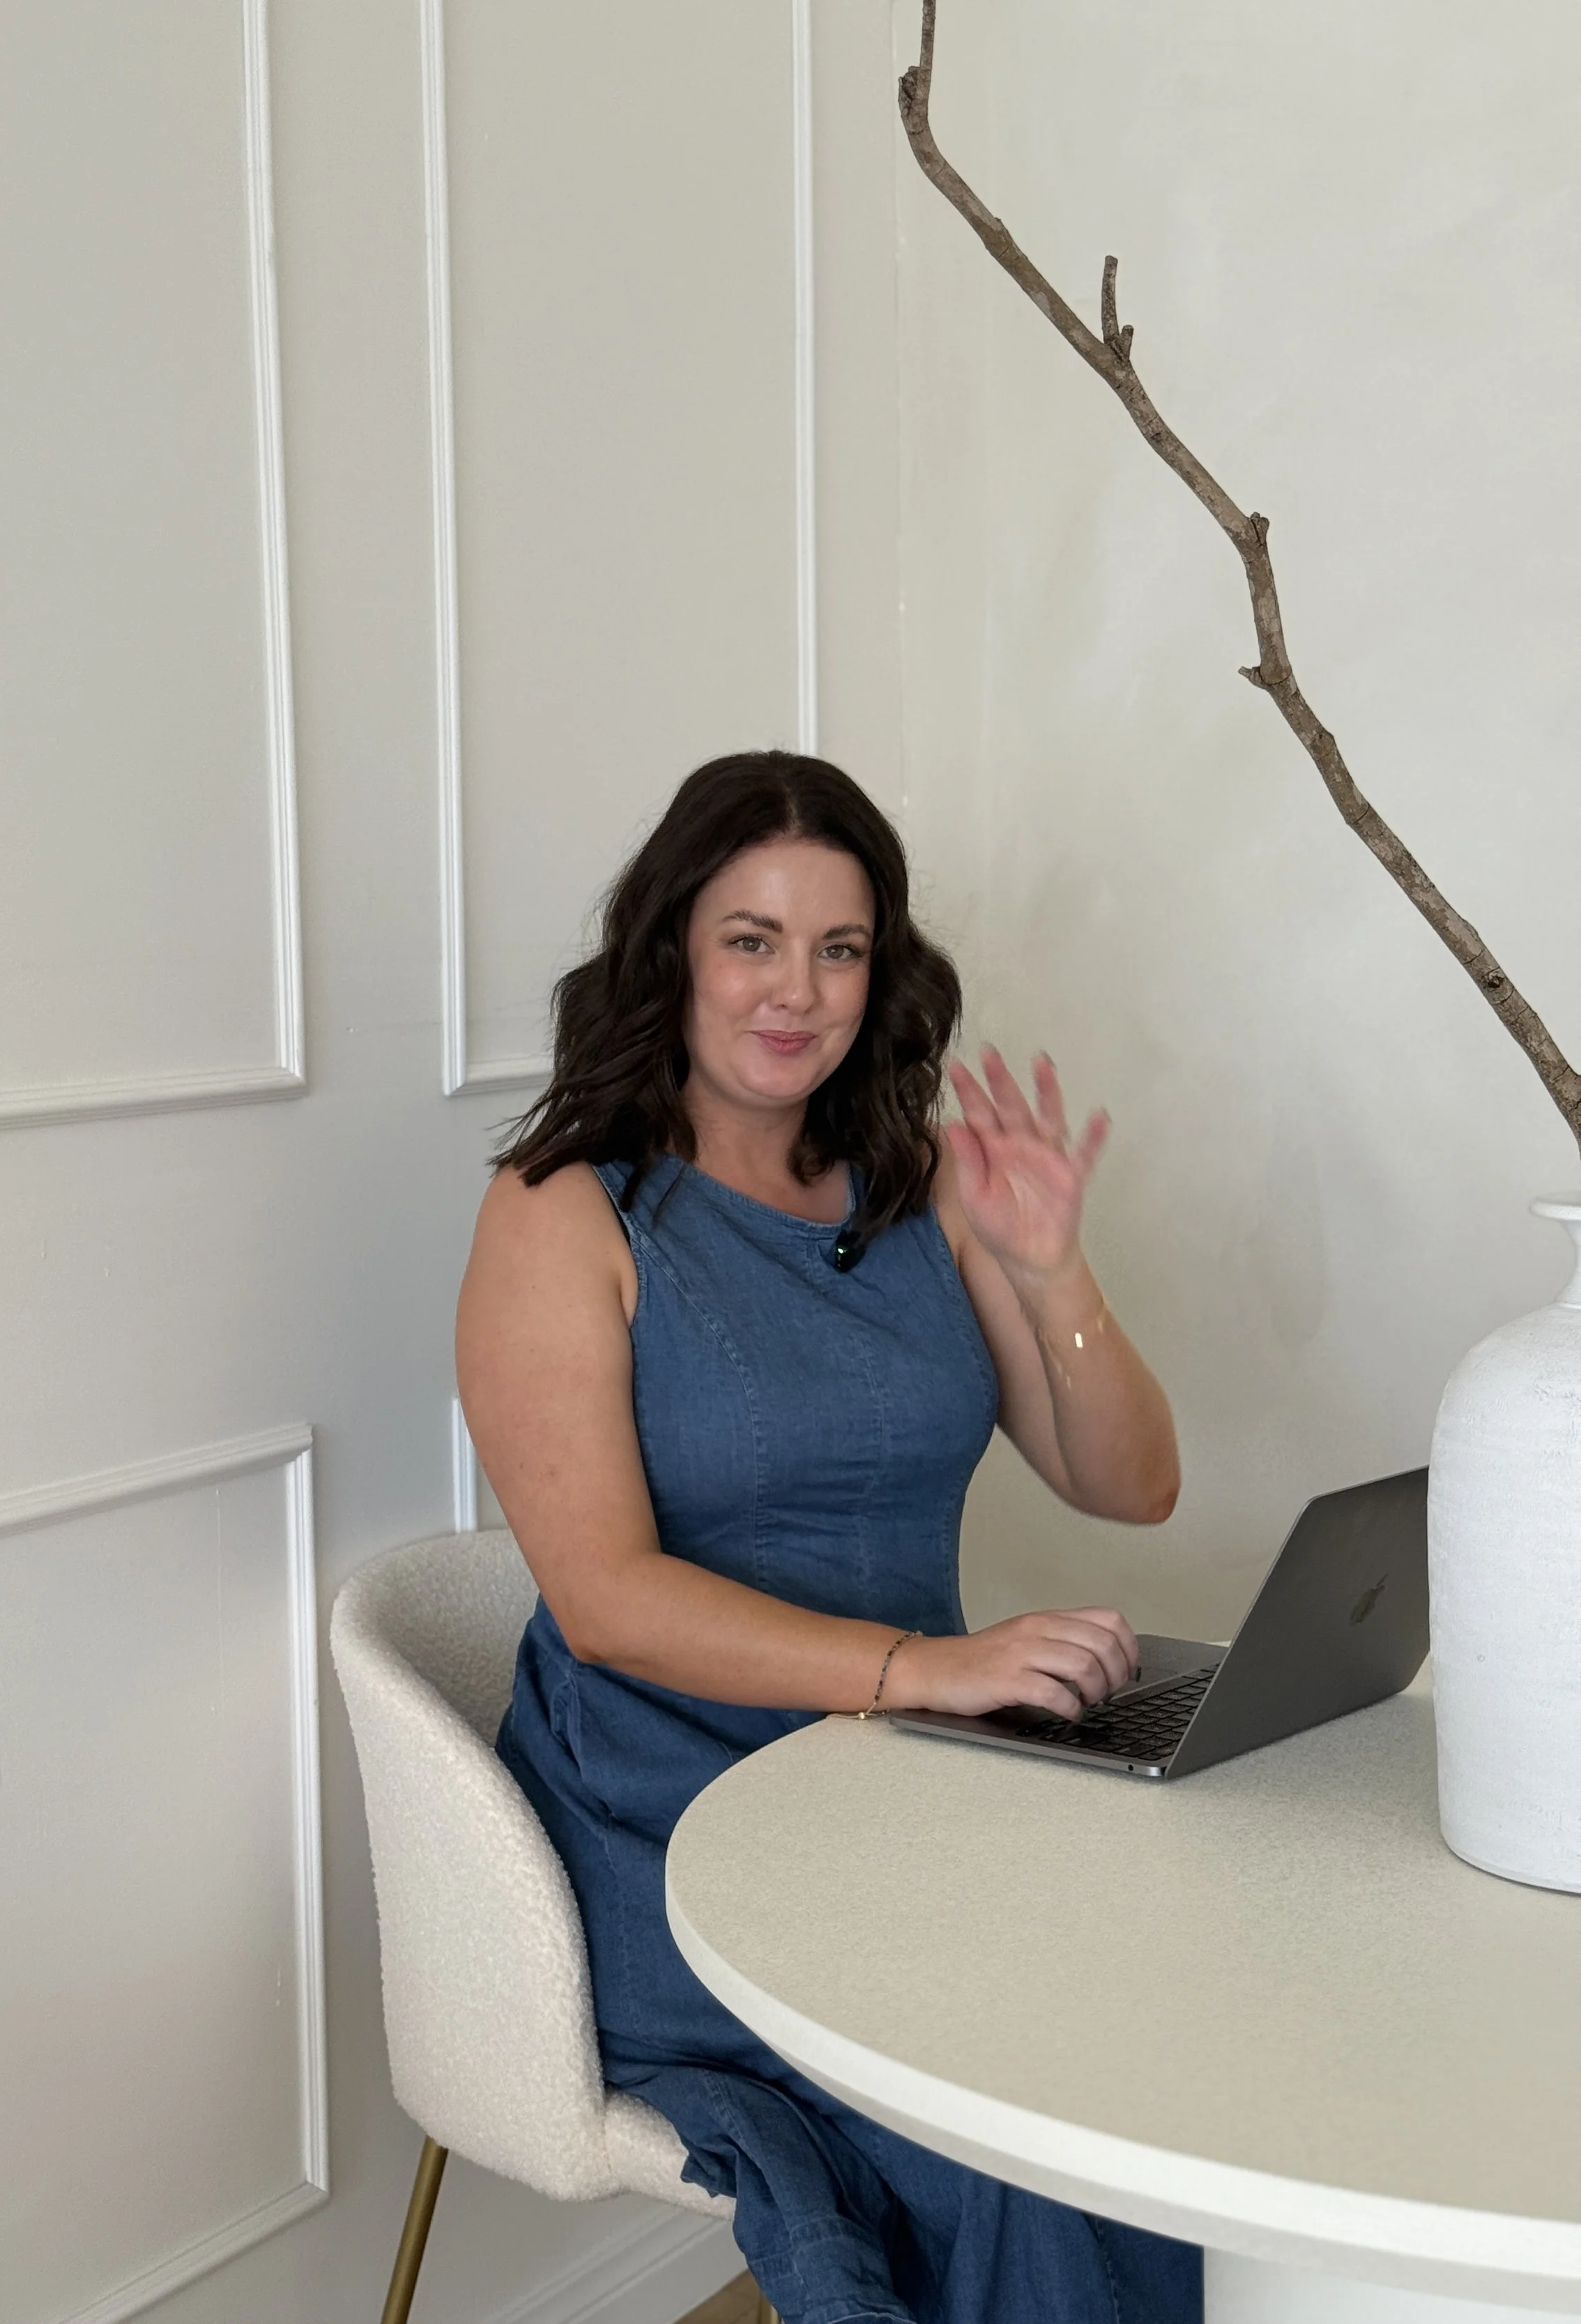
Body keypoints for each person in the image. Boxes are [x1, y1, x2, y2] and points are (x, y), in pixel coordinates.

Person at [457, 750, 1200, 2324]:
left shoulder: (917, 1187)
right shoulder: (561, 1212)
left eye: (838, 948)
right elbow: (603, 1602)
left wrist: (1051, 1267)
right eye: (751, 939)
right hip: (673, 1815)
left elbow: (1131, 1486)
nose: (796, 990)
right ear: (669, 948)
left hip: (908, 1789)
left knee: (1156, 2049)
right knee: (1000, 2130)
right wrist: (924, 1668)